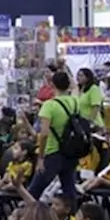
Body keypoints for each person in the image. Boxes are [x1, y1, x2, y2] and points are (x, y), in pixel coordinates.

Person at [26, 69, 80, 207]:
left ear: (52, 85)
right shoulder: (75, 102)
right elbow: (76, 87)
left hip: (52, 152)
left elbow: (44, 134)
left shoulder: (49, 105)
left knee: (33, 192)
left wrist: (41, 157)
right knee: (69, 191)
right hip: (71, 151)